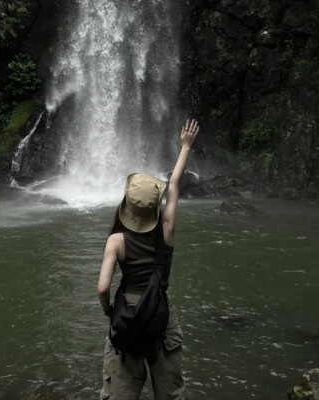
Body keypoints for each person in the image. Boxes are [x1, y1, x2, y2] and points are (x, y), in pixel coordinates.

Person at [97, 119, 200, 400]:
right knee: (170, 393)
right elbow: (175, 183)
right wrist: (185, 146)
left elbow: (103, 288)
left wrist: (109, 312)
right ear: (156, 207)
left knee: (120, 392)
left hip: (127, 314)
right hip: (160, 312)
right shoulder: (165, 230)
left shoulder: (115, 241)